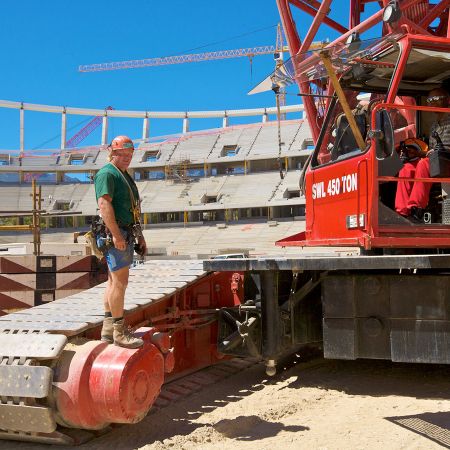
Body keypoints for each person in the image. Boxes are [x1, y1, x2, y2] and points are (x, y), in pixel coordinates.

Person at [94, 135, 147, 348]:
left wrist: (140, 234)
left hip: (125, 231)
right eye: (122, 154)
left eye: (129, 155)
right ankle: (118, 331)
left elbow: (132, 208)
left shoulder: (122, 174)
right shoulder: (107, 174)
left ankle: (107, 330)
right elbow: (104, 204)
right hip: (116, 233)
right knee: (120, 283)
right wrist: (116, 235)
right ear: (112, 153)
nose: (126, 158)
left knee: (112, 282)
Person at [395, 87, 450, 221]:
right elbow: (432, 150)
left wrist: (433, 153)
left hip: (446, 160)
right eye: (430, 100)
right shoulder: (433, 126)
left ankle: (417, 208)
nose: (432, 102)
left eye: (436, 99)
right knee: (406, 169)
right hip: (438, 161)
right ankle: (403, 212)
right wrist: (420, 153)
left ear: (447, 101)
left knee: (424, 164)